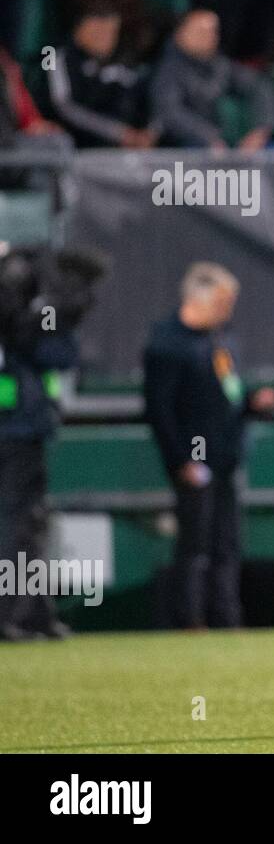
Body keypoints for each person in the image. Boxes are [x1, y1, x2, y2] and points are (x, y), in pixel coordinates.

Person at [143, 263, 274, 630]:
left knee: (226, 543)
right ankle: (189, 619)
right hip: (194, 460)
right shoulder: (168, 344)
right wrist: (180, 459)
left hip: (227, 457)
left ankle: (226, 618)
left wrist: (251, 402)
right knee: (194, 544)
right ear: (198, 299)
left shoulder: (220, 340)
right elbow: (159, 410)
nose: (227, 309)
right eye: (222, 301)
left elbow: (226, 395)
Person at [0, 246, 105, 641]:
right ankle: (15, 613)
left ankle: (28, 611)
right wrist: (62, 305)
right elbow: (46, 346)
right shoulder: (17, 305)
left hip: (20, 424)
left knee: (27, 521)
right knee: (19, 522)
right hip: (15, 428)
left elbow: (54, 350)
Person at [150, 10, 274, 150]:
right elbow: (170, 113)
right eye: (200, 31)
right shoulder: (168, 70)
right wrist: (208, 138)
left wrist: (260, 132)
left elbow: (259, 85)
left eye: (212, 31)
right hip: (183, 147)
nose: (208, 37)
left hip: (226, 144)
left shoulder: (220, 65)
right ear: (180, 34)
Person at [43, 9, 155, 149]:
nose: (108, 39)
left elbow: (147, 99)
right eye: (101, 31)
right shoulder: (53, 54)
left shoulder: (120, 58)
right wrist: (118, 133)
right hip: (68, 146)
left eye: (112, 32)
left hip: (118, 149)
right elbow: (63, 106)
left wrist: (149, 132)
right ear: (84, 26)